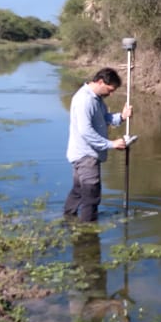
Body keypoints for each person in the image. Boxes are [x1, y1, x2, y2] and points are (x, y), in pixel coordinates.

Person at [62, 67, 133, 222]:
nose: (111, 94)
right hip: (86, 155)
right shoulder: (84, 100)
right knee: (91, 195)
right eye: (110, 89)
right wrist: (111, 144)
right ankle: (88, 233)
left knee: (79, 190)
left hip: (87, 154)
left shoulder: (96, 99)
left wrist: (121, 117)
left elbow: (104, 118)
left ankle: (68, 220)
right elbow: (85, 131)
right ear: (100, 82)